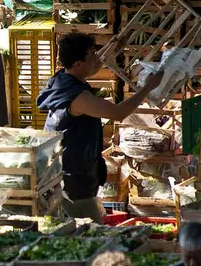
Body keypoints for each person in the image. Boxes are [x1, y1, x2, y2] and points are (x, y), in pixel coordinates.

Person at [37, 33, 163, 222]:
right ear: (78, 63)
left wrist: (112, 50)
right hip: (73, 176)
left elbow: (92, 66)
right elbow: (117, 113)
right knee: (89, 231)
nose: (97, 59)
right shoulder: (78, 97)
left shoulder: (63, 78)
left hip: (69, 168)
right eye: (92, 55)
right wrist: (147, 88)